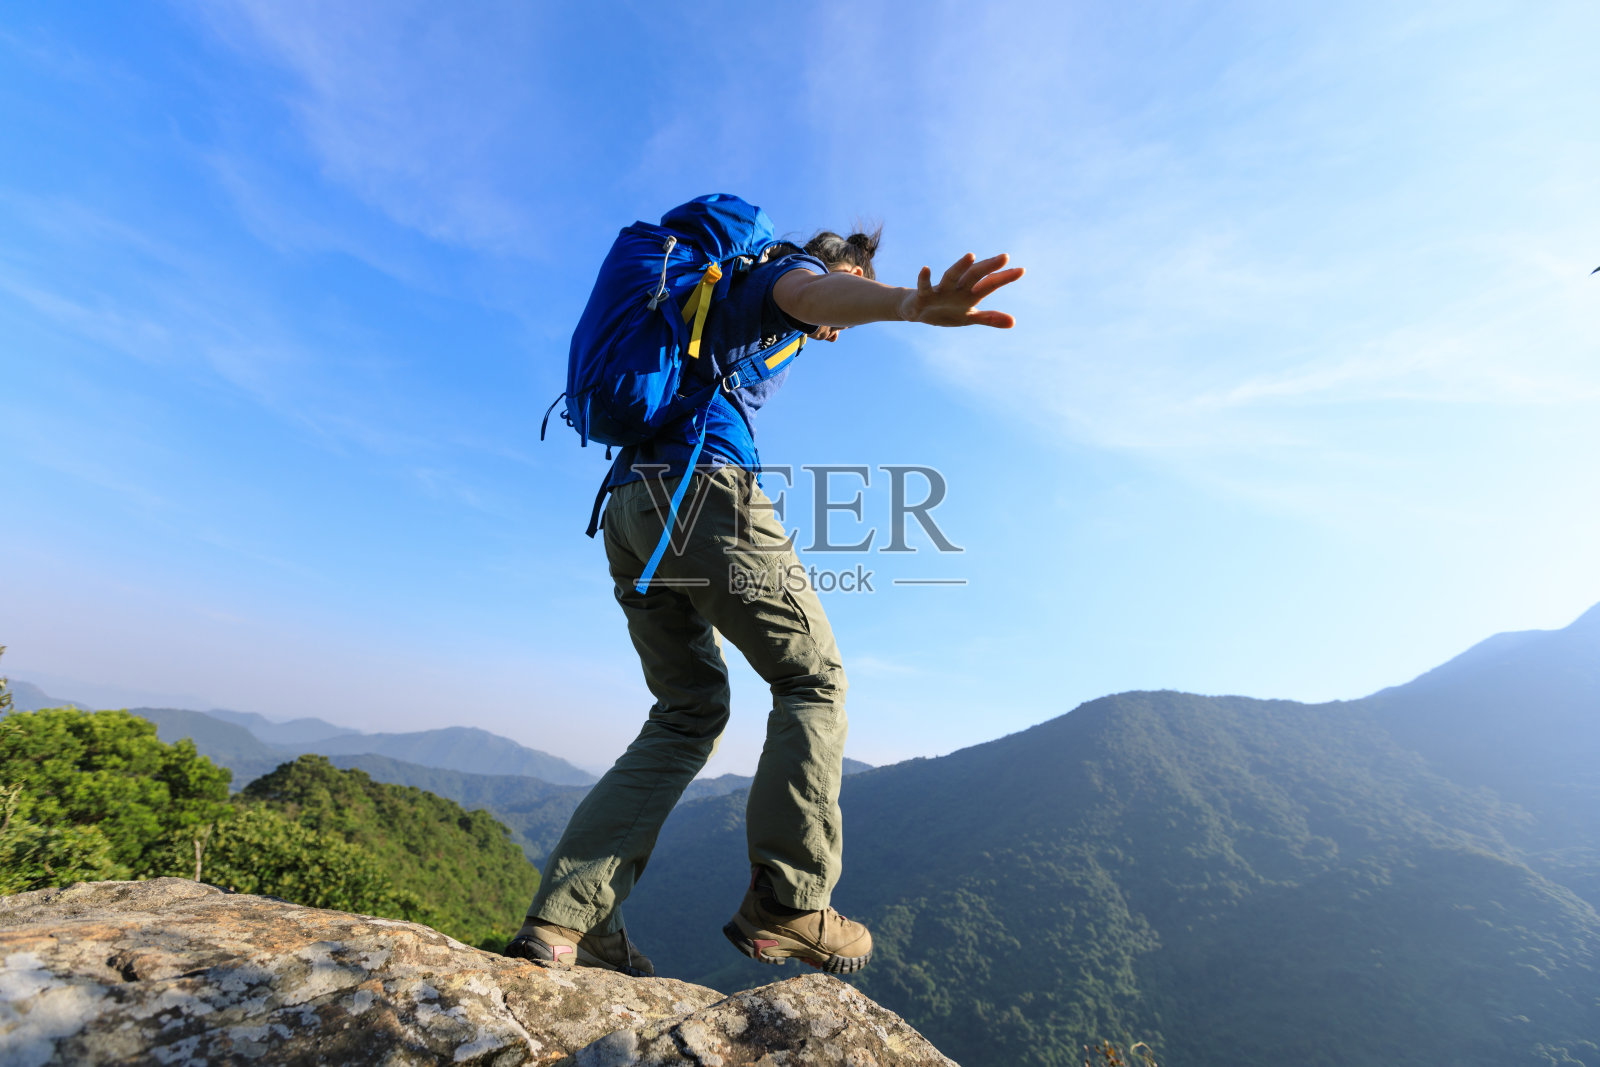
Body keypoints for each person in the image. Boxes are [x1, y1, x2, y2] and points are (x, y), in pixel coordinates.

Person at [506, 223, 1023, 976]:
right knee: (813, 681)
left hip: (629, 507)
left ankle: (569, 919)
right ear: (843, 267)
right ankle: (789, 900)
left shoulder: (705, 297)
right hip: (703, 491)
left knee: (686, 711)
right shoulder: (783, 276)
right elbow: (813, 290)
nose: (836, 334)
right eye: (842, 320)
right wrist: (908, 303)